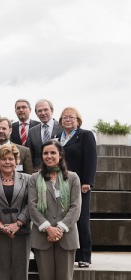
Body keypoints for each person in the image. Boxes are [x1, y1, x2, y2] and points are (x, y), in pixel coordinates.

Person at [28, 140, 81, 280]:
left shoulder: (72, 177)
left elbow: (76, 206)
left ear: (61, 155)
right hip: (43, 236)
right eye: (45, 153)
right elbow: (32, 206)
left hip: (67, 236)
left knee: (65, 277)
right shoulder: (34, 178)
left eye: (53, 152)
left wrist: (60, 228)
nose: (49, 156)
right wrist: (48, 228)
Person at [58, 107, 97, 268]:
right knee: (63, 218)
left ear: (78, 120)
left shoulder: (85, 135)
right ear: (60, 121)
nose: (68, 119)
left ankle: (84, 256)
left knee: (81, 219)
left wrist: (87, 181)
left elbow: (91, 158)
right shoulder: (56, 137)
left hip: (80, 184)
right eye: (65, 117)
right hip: (60, 183)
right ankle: (68, 254)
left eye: (71, 117)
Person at [0, 144, 31, 280]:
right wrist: (1, 226)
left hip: (22, 233)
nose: (7, 162)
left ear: (16, 161)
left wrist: (18, 224)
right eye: (3, 159)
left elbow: (32, 204)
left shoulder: (28, 179)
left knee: (21, 272)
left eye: (10, 159)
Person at [26, 99, 63, 171]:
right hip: (39, 172)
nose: (43, 113)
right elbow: (30, 156)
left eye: (45, 110)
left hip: (60, 171)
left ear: (52, 110)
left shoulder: (62, 128)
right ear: (36, 113)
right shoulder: (31, 132)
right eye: (39, 111)